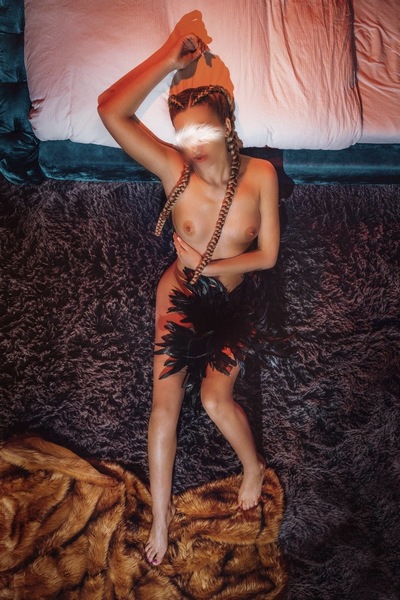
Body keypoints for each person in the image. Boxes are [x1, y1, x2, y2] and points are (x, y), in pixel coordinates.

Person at [98, 29, 280, 566]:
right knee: (165, 405)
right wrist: (167, 58)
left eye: (203, 129)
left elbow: (268, 256)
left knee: (214, 400)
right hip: (178, 294)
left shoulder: (260, 176)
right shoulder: (174, 170)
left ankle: (253, 466)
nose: (193, 144)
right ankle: (161, 518)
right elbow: (110, 111)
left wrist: (213, 266)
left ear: (227, 126)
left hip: (232, 304)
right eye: (183, 133)